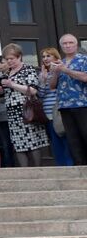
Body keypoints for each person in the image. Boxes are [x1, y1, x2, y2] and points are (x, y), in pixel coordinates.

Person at [0, 43, 49, 167]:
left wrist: (12, 85)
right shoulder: (6, 74)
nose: (9, 61)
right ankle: (24, 172)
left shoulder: (28, 69)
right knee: (18, 144)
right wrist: (0, 91)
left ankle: (38, 172)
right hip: (12, 113)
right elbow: (6, 95)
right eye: (7, 59)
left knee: (33, 142)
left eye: (12, 59)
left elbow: (33, 90)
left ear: (20, 56)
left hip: (27, 110)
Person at [46, 33, 87, 165]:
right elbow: (52, 86)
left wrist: (66, 70)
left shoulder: (84, 59)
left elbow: (85, 77)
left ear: (76, 45)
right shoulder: (60, 63)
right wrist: (56, 73)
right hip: (64, 105)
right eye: (65, 43)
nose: (68, 46)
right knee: (72, 139)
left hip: (82, 104)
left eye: (70, 43)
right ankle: (79, 166)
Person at [39, 48, 74, 166]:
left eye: (48, 56)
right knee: (55, 143)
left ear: (55, 57)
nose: (45, 59)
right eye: (43, 56)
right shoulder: (42, 73)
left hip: (60, 111)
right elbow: (40, 95)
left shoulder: (62, 69)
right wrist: (43, 81)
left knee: (67, 140)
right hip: (48, 113)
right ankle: (61, 166)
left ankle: (70, 166)